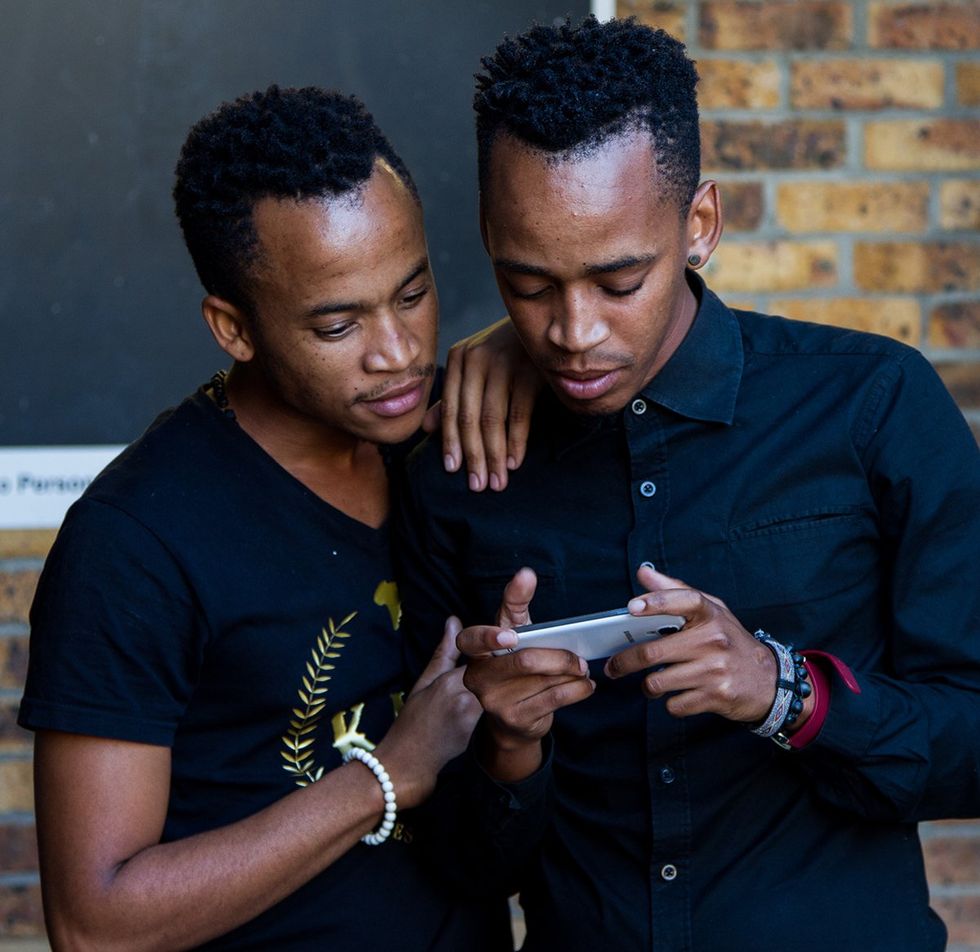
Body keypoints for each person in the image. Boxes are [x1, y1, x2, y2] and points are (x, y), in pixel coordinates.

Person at [395, 16, 980, 951]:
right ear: (491, 238)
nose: (574, 332)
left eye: (619, 281)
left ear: (699, 225)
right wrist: (506, 751)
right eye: (530, 285)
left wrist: (784, 691)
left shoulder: (870, 406)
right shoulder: (459, 465)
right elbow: (458, 870)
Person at [17, 85, 522, 951]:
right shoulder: (134, 543)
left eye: (412, 294)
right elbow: (94, 925)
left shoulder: (451, 433)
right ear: (234, 329)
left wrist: (520, 346)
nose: (398, 352)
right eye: (337, 325)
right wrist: (384, 775)